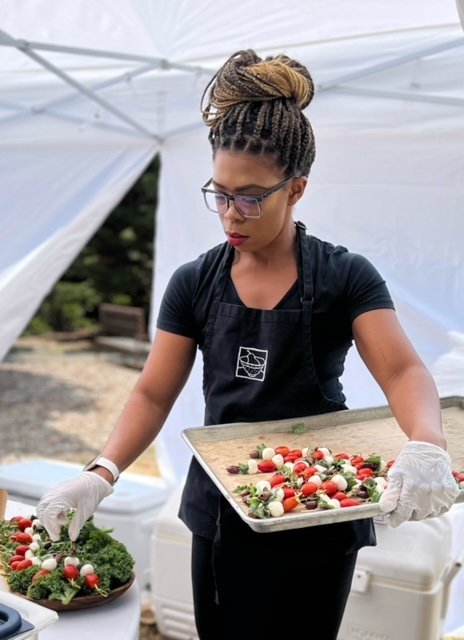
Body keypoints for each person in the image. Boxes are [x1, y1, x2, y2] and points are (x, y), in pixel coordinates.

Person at [37, 49, 459, 639]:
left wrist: (427, 444)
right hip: (220, 505)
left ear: (298, 189)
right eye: (221, 193)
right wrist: (101, 472)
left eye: (252, 197)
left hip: (318, 505)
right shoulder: (195, 281)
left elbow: (402, 371)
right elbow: (155, 393)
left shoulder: (344, 276)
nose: (232, 215)